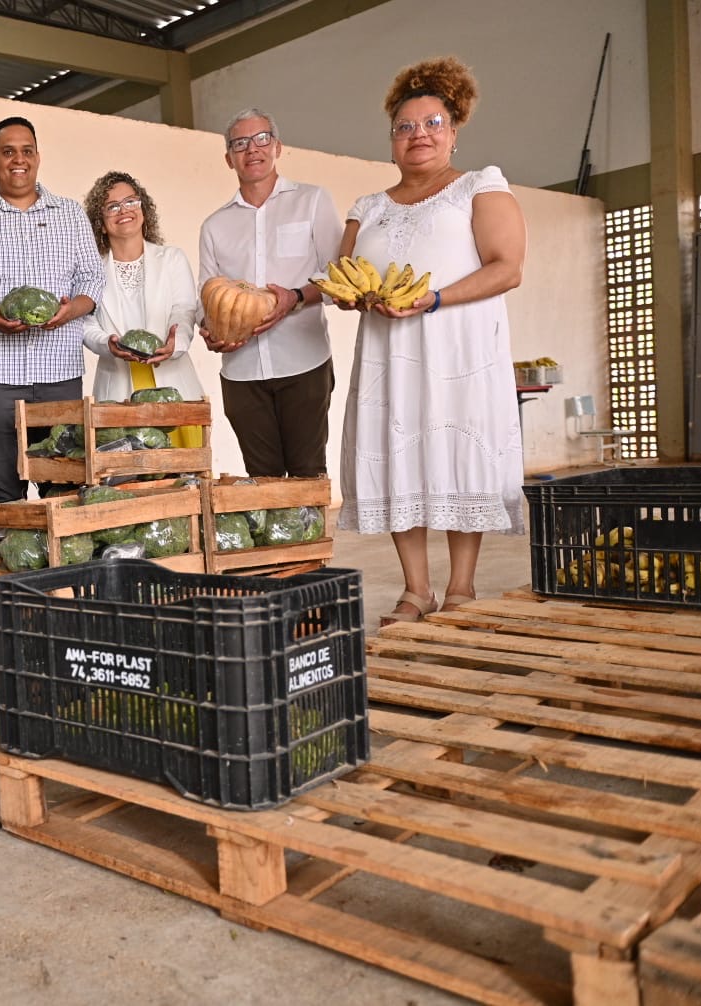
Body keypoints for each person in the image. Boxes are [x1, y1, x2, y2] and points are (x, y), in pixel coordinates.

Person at [335, 56, 526, 625]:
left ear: (454, 130)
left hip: (457, 348)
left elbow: (507, 267)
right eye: (405, 126)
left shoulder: (478, 186)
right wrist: (355, 295)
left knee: (458, 453)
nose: (418, 135)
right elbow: (341, 274)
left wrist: (436, 298)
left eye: (431, 123)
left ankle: (462, 586)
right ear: (391, 139)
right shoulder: (366, 207)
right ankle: (416, 590)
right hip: (388, 356)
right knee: (398, 459)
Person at [0, 116, 104, 502]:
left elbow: (92, 279)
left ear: (38, 157)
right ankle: (9, 562)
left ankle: (63, 566)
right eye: (8, 151)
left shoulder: (69, 213)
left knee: (63, 485)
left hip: (60, 370)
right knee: (4, 483)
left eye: (26, 151)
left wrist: (71, 310)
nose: (19, 159)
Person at [196, 108, 342, 478]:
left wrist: (295, 297)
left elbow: (339, 274)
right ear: (229, 159)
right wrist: (211, 330)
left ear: (277, 146)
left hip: (304, 361)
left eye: (261, 139)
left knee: (308, 474)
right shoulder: (215, 225)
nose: (252, 150)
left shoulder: (312, 200)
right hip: (241, 371)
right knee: (262, 483)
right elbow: (207, 294)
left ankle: (311, 540)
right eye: (240, 144)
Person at [80, 171, 204, 441]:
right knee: (126, 478)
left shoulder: (172, 259)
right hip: (118, 391)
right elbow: (86, 322)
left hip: (174, 386)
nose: (123, 210)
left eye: (130, 202)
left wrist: (175, 344)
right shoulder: (91, 270)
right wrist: (107, 343)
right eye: (112, 206)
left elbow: (184, 311)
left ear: (143, 209)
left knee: (183, 477)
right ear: (101, 223)